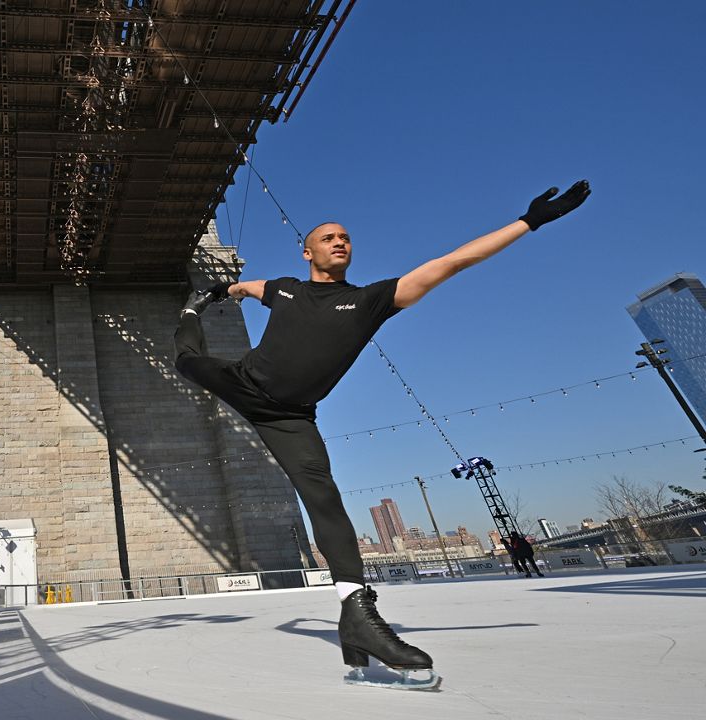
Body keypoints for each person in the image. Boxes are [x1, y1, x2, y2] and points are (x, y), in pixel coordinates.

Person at [174, 181, 590, 688]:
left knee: (324, 498)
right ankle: (189, 312)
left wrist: (529, 222)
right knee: (188, 360)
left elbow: (453, 262)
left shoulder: (372, 300)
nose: (340, 242)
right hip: (243, 383)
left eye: (345, 237)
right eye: (328, 238)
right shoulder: (285, 288)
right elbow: (252, 287)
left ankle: (357, 618)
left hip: (289, 416)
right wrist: (222, 291)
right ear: (307, 251)